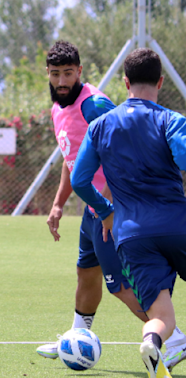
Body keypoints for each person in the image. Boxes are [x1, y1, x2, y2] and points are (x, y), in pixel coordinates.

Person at [36, 41, 186, 371]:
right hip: (104, 211)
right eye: (56, 74)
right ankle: (76, 337)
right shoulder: (59, 108)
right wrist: (58, 204)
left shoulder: (97, 108)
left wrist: (107, 207)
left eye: (68, 74)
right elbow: (71, 160)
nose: (61, 81)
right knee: (85, 272)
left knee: (119, 284)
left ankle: (173, 340)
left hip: (117, 214)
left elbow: (122, 146)